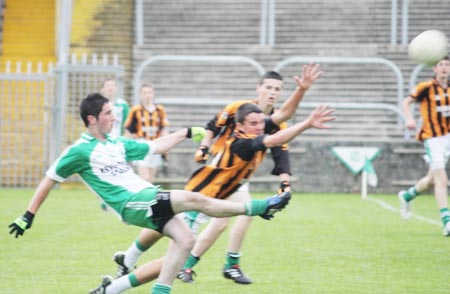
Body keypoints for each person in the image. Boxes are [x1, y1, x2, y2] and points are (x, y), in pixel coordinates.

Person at [7, 93, 292, 294]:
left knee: (185, 242)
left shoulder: (116, 143)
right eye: (108, 113)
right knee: (194, 199)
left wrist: (185, 132)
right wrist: (28, 215)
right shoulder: (78, 151)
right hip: (132, 204)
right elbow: (49, 178)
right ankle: (259, 207)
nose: (114, 116)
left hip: (147, 196)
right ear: (92, 118)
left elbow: (155, 146)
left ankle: (115, 289)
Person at [98, 104, 335, 294]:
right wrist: (307, 124)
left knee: (171, 246)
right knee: (174, 260)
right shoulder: (242, 143)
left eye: (261, 123)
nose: (259, 127)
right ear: (240, 126)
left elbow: (280, 121)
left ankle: (125, 264)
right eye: (253, 124)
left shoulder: (254, 131)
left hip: (198, 199)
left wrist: (301, 93)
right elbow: (272, 140)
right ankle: (114, 287)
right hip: (195, 202)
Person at [179, 64, 322, 284]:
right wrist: (204, 148)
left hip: (240, 178)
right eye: (269, 87)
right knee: (191, 221)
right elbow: (212, 126)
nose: (273, 92)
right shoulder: (240, 109)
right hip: (220, 171)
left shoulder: (277, 122)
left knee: (232, 217)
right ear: (258, 88)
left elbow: (280, 152)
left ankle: (200, 266)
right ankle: (203, 264)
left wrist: (285, 183)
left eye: (277, 89)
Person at [398, 56, 450, 236]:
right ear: (434, 69)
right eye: (441, 65)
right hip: (432, 138)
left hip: (448, 138)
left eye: (447, 65)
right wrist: (410, 119)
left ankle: (406, 196)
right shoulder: (425, 87)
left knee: (431, 181)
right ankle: (447, 222)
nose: (444, 68)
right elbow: (406, 102)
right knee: (442, 179)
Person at [125, 83, 170, 182]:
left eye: (149, 92)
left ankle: (148, 197)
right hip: (142, 143)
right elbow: (129, 130)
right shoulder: (135, 110)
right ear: (140, 94)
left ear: (153, 94)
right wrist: (125, 148)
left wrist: (166, 147)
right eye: (144, 92)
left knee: (151, 179)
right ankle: (142, 196)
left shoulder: (160, 110)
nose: (147, 95)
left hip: (156, 144)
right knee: (144, 177)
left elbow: (164, 129)